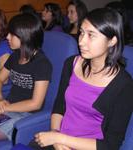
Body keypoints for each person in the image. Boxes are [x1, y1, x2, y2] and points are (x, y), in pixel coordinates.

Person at [32, 8, 133, 150]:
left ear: (112, 41)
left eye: (91, 35)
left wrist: (60, 138)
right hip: (58, 140)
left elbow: (111, 145)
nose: (81, 42)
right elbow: (59, 105)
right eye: (82, 33)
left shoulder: (124, 85)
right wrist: (55, 134)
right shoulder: (71, 64)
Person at [0, 13, 53, 149]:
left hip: (25, 116)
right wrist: (0, 98)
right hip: (6, 107)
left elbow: (35, 104)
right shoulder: (15, 56)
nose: (7, 37)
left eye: (12, 34)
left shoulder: (42, 64)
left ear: (25, 36)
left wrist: (3, 107)